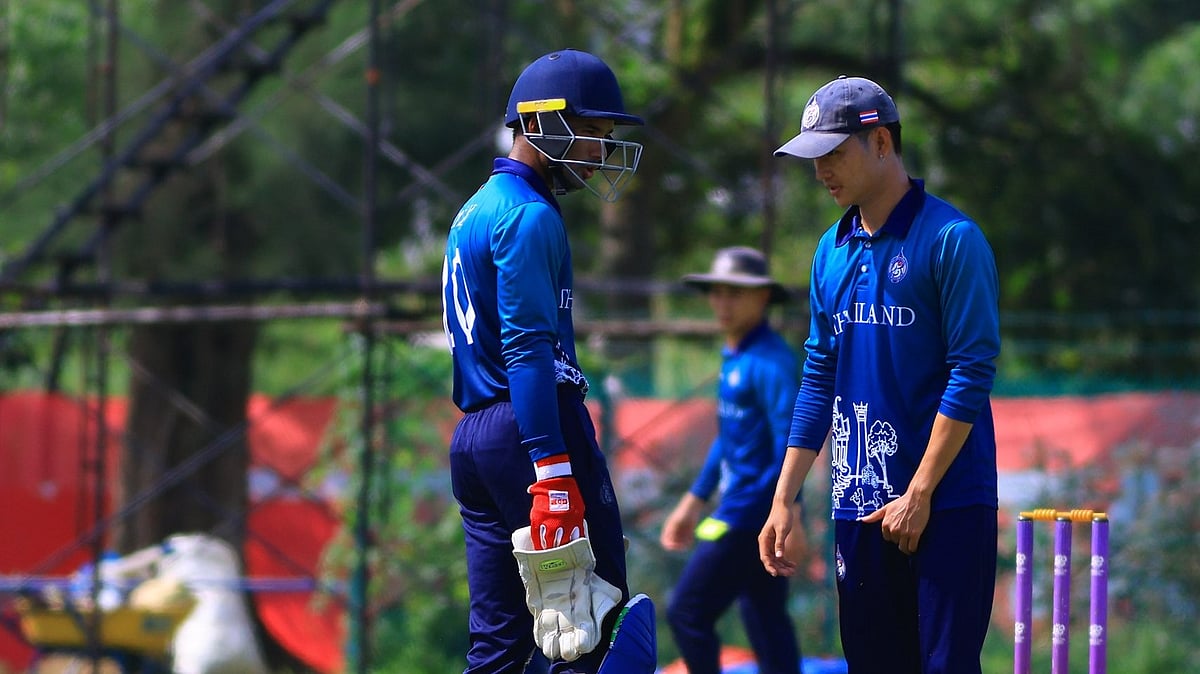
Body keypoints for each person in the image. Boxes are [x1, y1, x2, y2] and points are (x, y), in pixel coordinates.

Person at [759, 75, 1001, 674]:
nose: (821, 173)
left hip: (946, 503)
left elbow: (972, 371)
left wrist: (919, 493)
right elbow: (819, 374)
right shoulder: (829, 251)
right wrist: (784, 497)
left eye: (834, 154)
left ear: (883, 144)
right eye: (813, 159)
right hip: (857, 502)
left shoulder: (951, 240)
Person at [441, 49, 654, 674]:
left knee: (499, 646)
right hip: (534, 426)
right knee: (591, 625)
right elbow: (527, 349)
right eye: (593, 130)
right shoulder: (530, 216)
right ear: (543, 122)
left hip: (476, 438)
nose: (599, 149)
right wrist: (554, 472)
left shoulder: (474, 209)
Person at [660, 246, 805, 674]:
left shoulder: (772, 362)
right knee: (763, 616)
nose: (722, 303)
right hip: (741, 506)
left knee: (687, 612)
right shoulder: (736, 354)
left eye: (734, 294)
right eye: (717, 293)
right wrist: (694, 499)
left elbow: (791, 445)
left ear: (762, 298)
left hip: (752, 513)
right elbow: (729, 437)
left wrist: (788, 511)